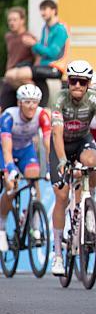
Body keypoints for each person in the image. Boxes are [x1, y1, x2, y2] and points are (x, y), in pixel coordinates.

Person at [49, 60, 96, 276]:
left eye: (82, 81)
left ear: (88, 84)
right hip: (60, 145)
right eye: (73, 81)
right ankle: (58, 254)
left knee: (91, 161)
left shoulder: (95, 99)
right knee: (61, 195)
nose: (77, 85)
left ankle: (89, 202)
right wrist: (61, 159)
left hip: (82, 141)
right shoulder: (59, 99)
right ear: (68, 82)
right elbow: (56, 133)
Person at [0, 84, 50, 252]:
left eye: (34, 102)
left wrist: (51, 167)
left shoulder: (42, 115)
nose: (31, 106)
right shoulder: (8, 117)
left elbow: (48, 143)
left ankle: (34, 225)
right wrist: (10, 169)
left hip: (26, 151)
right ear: (19, 103)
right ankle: (1, 227)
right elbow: (6, 148)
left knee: (34, 177)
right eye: (27, 102)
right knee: (11, 187)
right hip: (6, 151)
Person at [5, 0, 69, 106]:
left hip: (55, 67)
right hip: (43, 66)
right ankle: (35, 99)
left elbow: (53, 53)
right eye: (41, 10)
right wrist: (32, 45)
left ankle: (38, 100)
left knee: (18, 74)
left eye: (45, 9)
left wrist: (34, 44)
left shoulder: (60, 29)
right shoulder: (45, 28)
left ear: (54, 11)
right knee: (10, 75)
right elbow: (40, 51)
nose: (42, 13)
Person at [1, 7, 35, 110]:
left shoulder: (29, 37)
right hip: (10, 79)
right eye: (9, 20)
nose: (11, 23)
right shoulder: (8, 37)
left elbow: (37, 58)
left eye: (14, 20)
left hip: (23, 79)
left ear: (22, 20)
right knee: (3, 109)